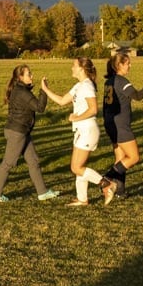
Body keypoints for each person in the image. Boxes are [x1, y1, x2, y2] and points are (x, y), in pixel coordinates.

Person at [42, 58, 107, 207]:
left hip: (87, 130)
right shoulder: (79, 86)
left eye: (74, 65)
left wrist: (76, 117)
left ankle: (106, 184)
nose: (72, 68)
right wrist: (46, 90)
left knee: (76, 167)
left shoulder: (87, 86)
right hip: (81, 130)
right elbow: (62, 101)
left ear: (82, 69)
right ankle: (82, 199)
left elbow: (93, 109)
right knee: (78, 166)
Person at [0, 64, 57, 203]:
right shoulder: (21, 92)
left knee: (33, 161)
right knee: (8, 163)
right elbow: (40, 107)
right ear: (20, 77)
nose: (31, 75)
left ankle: (42, 192)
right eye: (28, 74)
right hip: (17, 133)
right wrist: (44, 90)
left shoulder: (21, 90)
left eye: (31, 73)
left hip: (22, 131)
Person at [100, 50, 143, 202]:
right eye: (127, 63)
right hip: (121, 125)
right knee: (133, 157)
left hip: (110, 123)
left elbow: (105, 106)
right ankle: (107, 177)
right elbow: (138, 96)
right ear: (119, 65)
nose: (130, 66)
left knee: (121, 158)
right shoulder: (122, 81)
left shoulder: (109, 81)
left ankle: (119, 191)